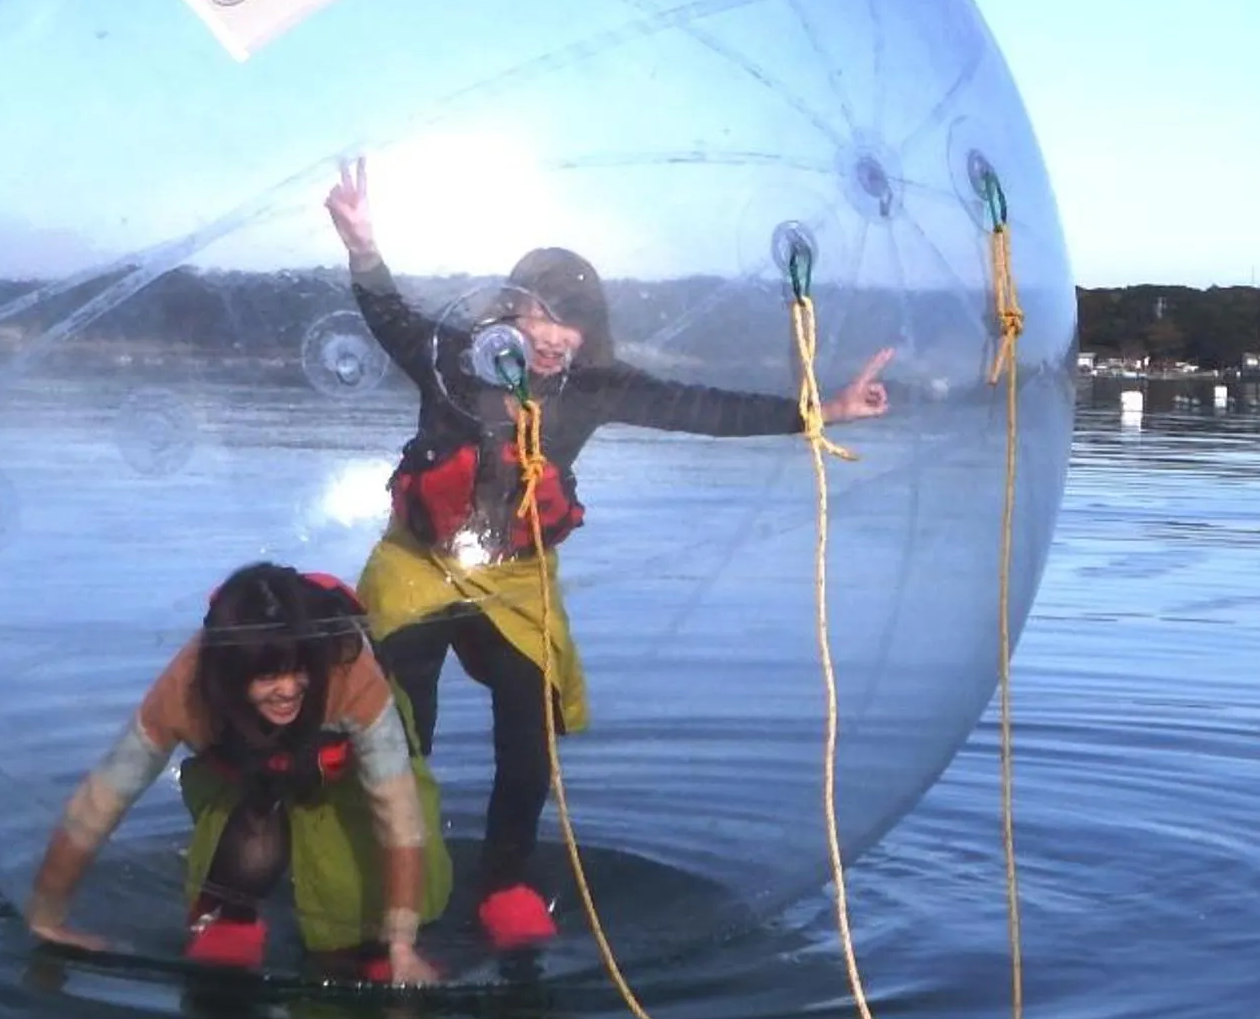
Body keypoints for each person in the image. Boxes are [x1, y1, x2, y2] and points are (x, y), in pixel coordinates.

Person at [324, 158, 894, 948]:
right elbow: (386, 312)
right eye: (542, 316)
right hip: (416, 569)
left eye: (574, 322)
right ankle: (395, 874)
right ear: (510, 311)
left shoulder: (594, 386)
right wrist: (360, 243)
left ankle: (503, 885)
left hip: (515, 580)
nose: (557, 336)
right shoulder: (453, 357)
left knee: (528, 736)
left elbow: (703, 408)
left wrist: (823, 410)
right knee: (400, 726)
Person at [26, 562, 448, 983]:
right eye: (268, 675)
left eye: (296, 669)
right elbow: (98, 802)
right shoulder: (184, 692)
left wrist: (401, 948)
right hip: (243, 740)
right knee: (253, 813)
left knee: (352, 898)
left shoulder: (347, 668)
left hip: (344, 738)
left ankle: (375, 943)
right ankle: (229, 915)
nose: (287, 688)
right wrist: (48, 917)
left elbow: (398, 814)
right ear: (230, 673)